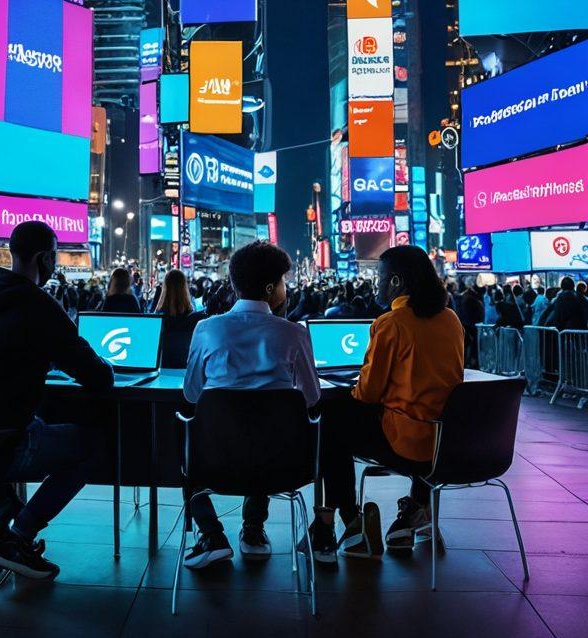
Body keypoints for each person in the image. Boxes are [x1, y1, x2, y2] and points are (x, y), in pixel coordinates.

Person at [0, 221, 113, 581]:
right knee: (91, 446)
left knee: (38, 425)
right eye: (54, 256)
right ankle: (19, 535)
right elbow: (97, 376)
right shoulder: (39, 305)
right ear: (43, 258)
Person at [311, 246, 464, 565]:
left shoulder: (391, 323)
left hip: (404, 442)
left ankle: (350, 521)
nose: (375, 284)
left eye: (379, 278)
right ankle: (415, 508)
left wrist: (355, 383)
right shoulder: (451, 320)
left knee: (330, 425)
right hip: (446, 443)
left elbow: (367, 393)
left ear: (396, 282)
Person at [182, 241, 320, 570]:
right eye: (284, 282)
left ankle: (212, 534)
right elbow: (312, 397)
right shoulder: (293, 334)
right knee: (265, 433)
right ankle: (254, 530)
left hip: (213, 461)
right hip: (282, 463)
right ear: (271, 288)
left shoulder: (206, 328)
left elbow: (191, 393)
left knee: (187, 443)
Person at [155, 269, 203, 369]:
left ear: (165, 287)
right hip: (186, 370)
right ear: (184, 288)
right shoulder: (195, 319)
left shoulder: (158, 319)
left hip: (162, 370)